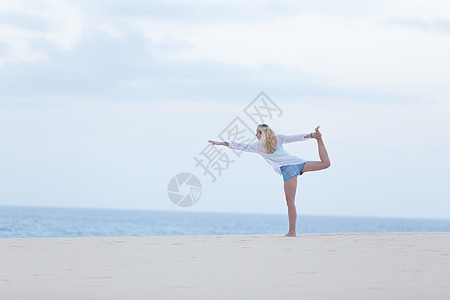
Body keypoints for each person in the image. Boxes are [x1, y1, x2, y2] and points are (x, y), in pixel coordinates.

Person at [208, 124, 331, 237]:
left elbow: (241, 146)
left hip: (289, 169)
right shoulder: (278, 138)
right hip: (298, 163)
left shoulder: (258, 146)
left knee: (290, 202)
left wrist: (222, 143)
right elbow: (295, 137)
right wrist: (313, 136)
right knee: (325, 164)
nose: (256, 135)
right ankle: (319, 140)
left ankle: (292, 232)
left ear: (262, 134)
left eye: (257, 133)